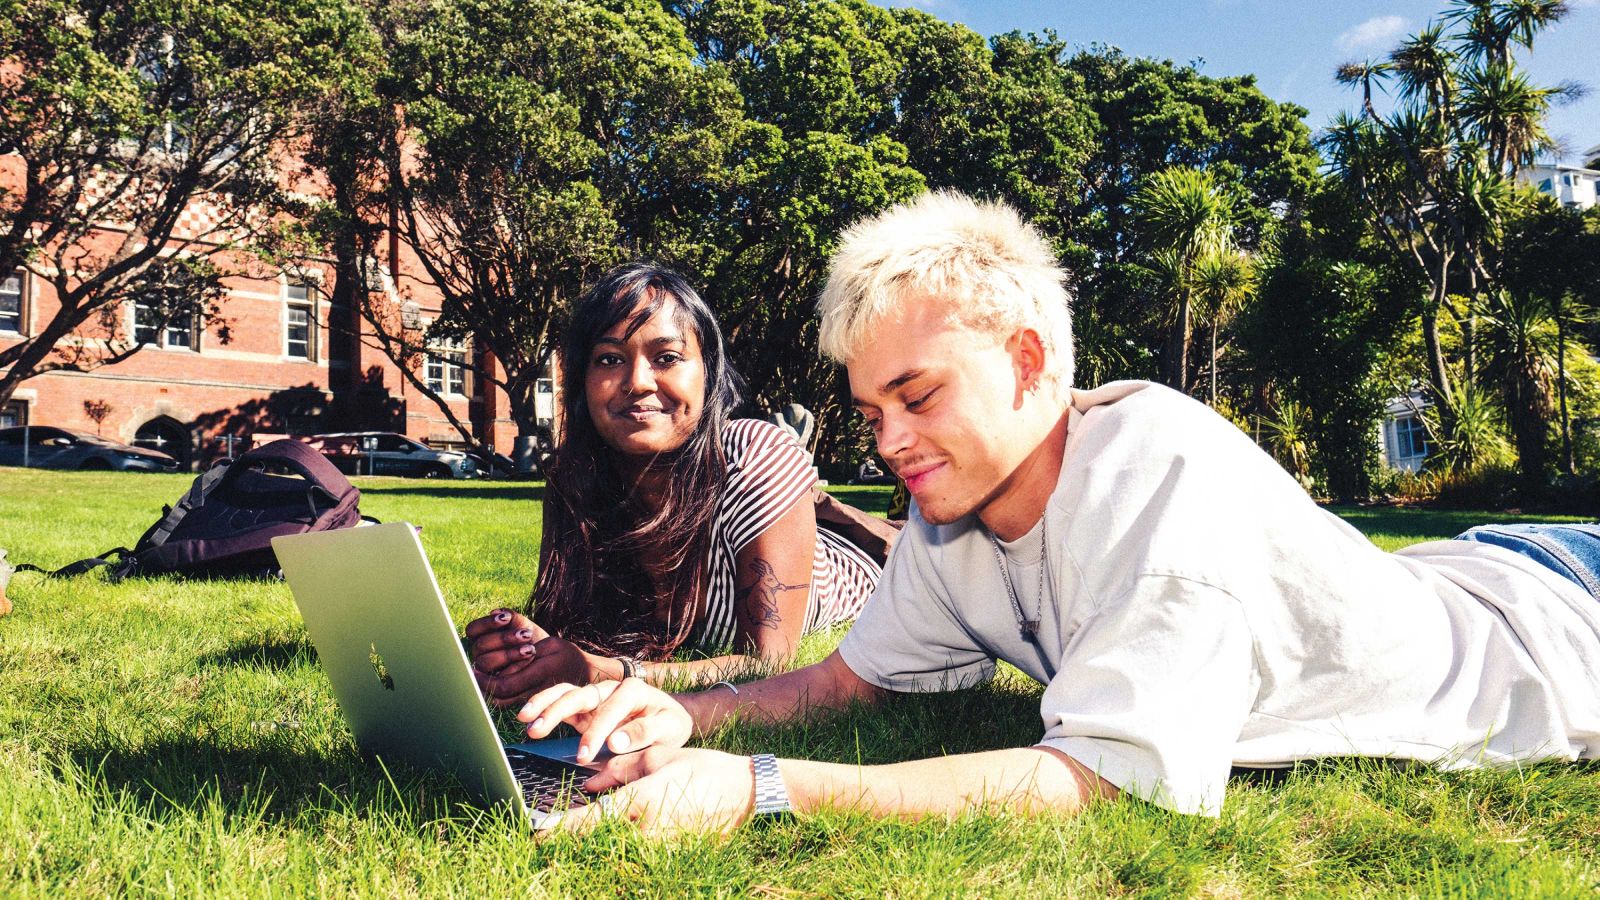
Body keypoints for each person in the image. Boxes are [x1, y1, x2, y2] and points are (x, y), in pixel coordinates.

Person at [513, 191, 1600, 834]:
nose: (888, 442)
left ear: (1028, 363)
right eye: (870, 408)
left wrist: (754, 788)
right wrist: (681, 717)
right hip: (1460, 567)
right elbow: (848, 680)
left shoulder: (1154, 474)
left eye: (918, 396)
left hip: (1561, 613)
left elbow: (1108, 778)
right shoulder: (947, 512)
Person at [466, 262, 881, 706]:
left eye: (666, 358)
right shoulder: (575, 477)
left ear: (708, 371)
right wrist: (527, 648)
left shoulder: (753, 454)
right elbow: (574, 632)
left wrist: (601, 672)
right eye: (609, 359)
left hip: (860, 570)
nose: (637, 383)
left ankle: (832, 508)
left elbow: (770, 662)